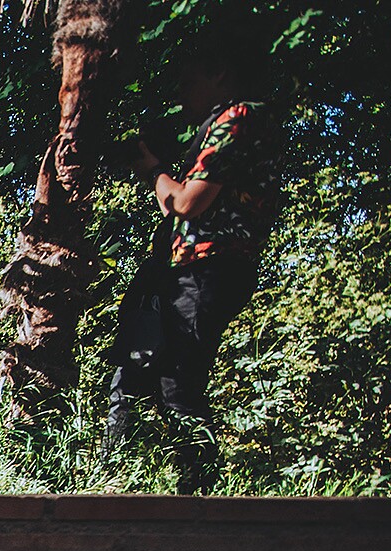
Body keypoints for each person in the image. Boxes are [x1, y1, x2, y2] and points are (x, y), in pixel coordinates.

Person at [107, 35, 281, 494]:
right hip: (181, 270)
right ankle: (113, 481)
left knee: (177, 381)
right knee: (136, 367)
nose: (179, 95)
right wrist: (159, 174)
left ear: (218, 71)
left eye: (187, 83)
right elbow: (178, 207)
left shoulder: (237, 118)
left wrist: (153, 169)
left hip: (208, 271)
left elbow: (185, 202)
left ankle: (200, 501)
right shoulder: (219, 125)